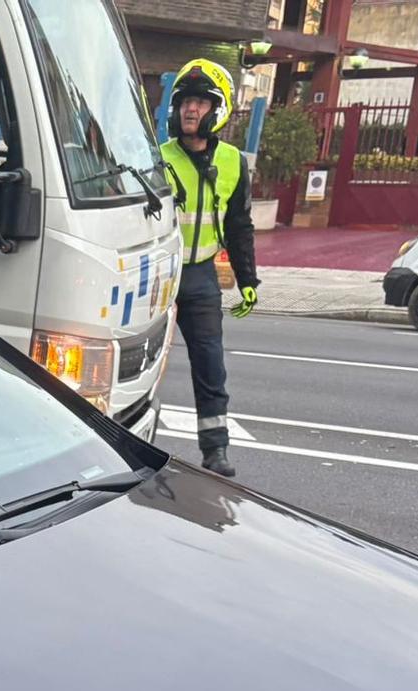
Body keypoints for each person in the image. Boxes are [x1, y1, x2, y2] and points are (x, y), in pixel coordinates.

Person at [159, 58, 258, 479]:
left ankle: (215, 449)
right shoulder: (156, 157)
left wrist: (248, 279)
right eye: (185, 101)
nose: (190, 110)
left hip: (199, 276)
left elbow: (239, 226)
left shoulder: (234, 162)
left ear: (216, 112)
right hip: (159, 273)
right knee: (138, 358)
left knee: (210, 364)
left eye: (200, 102)